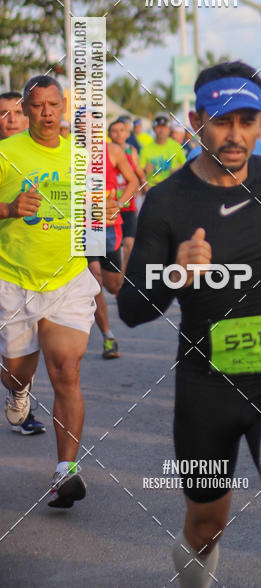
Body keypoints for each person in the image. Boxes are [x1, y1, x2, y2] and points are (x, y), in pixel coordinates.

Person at [118, 61, 261, 587]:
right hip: (205, 386)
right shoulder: (166, 200)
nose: (235, 136)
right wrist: (174, 274)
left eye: (248, 121)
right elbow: (133, 310)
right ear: (195, 119)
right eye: (222, 121)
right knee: (206, 527)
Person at [0, 75, 118, 506]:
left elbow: (93, 217)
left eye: (53, 104)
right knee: (17, 370)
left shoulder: (83, 157)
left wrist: (103, 215)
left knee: (66, 367)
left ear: (64, 106)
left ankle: (66, 469)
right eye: (38, 106)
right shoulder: (6, 152)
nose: (47, 112)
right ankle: (17, 389)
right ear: (25, 111)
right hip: (14, 280)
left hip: (67, 278)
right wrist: (10, 209)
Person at [0, 90, 45, 436]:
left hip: (23, 267)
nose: (11, 118)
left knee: (20, 351)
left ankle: (20, 392)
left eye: (17, 112)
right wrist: (10, 209)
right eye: (4, 113)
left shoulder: (46, 154)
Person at [89, 134, 138, 360]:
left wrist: (119, 203)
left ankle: (127, 288)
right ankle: (108, 337)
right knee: (94, 279)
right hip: (82, 224)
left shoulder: (113, 151)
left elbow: (133, 180)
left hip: (108, 225)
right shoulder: (68, 150)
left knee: (112, 284)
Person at [108, 119, 145, 273]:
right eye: (115, 131)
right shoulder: (105, 152)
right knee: (114, 247)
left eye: (122, 130)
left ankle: (125, 275)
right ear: (109, 134)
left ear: (127, 133)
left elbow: (137, 170)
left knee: (129, 244)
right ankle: (116, 276)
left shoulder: (131, 150)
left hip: (128, 205)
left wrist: (144, 182)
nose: (118, 134)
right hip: (109, 207)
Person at [139, 114, 187, 190]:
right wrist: (145, 172)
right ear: (154, 129)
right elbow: (139, 175)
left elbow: (186, 168)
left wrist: (178, 171)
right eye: (158, 127)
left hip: (172, 190)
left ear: (169, 129)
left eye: (164, 127)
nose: (161, 130)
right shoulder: (145, 149)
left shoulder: (177, 147)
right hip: (152, 190)